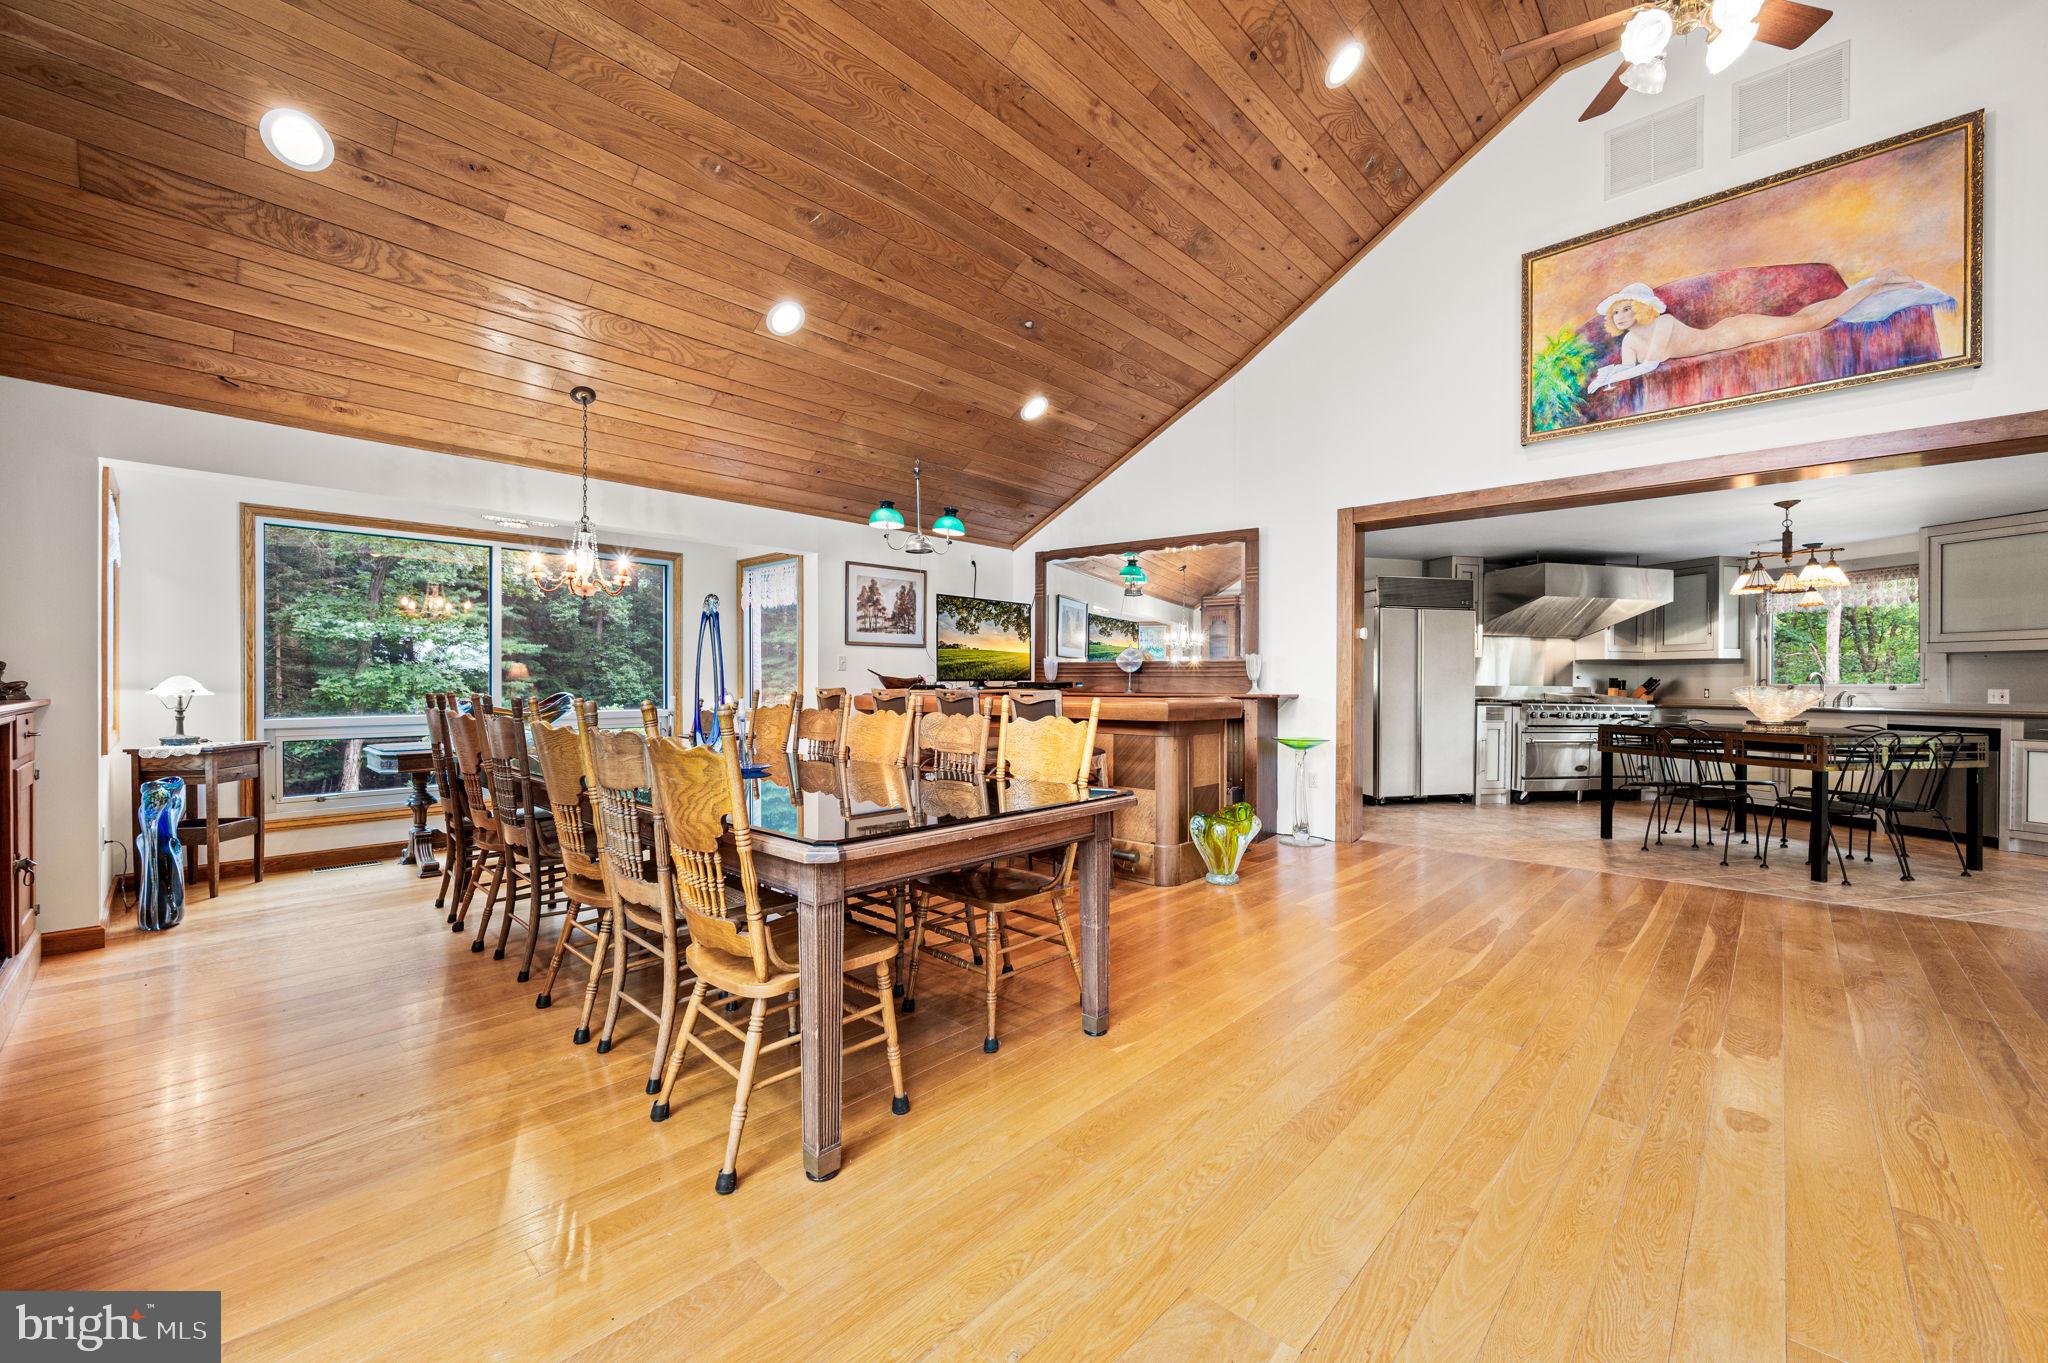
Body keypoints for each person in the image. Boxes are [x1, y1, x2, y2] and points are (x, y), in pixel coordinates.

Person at [1586, 272, 1921, 393]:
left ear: (1641, 307)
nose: (1622, 315)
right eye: (1617, 312)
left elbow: (1652, 362)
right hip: (1735, 334)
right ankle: (1871, 288)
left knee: (1811, 323)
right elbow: (1631, 367)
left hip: (1737, 331)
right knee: (1805, 318)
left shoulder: (1663, 323)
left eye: (1626, 308)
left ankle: (1877, 282)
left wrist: (1608, 376)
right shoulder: (1630, 340)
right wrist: (1610, 376)